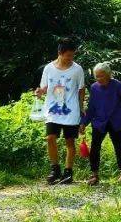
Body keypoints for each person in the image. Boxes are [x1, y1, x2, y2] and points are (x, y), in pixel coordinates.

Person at [35, 37, 86, 185]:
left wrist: (81, 108)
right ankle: (55, 169)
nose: (71, 58)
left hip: (71, 111)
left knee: (70, 141)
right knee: (50, 138)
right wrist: (40, 92)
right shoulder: (48, 68)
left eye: (73, 55)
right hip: (52, 109)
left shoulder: (77, 69)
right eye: (68, 55)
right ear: (60, 53)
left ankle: (68, 172)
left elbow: (81, 89)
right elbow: (44, 88)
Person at [79, 63, 121, 185]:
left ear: (109, 74)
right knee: (95, 148)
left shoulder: (118, 86)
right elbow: (92, 108)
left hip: (117, 121)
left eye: (102, 76)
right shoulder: (94, 88)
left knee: (120, 148)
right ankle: (94, 174)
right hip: (100, 122)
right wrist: (84, 122)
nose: (99, 79)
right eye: (97, 76)